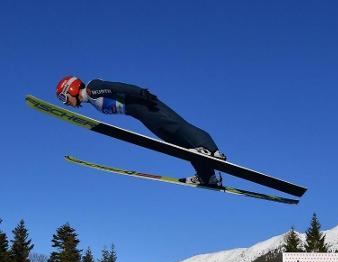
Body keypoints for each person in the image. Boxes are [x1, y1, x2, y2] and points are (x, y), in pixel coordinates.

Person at [55, 76, 226, 185]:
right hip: (141, 115)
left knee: (177, 126)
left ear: (71, 88)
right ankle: (206, 176)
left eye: (64, 97)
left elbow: (116, 87)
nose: (65, 102)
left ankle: (211, 149)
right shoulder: (91, 100)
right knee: (176, 143)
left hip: (145, 105)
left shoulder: (92, 89)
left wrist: (141, 93)